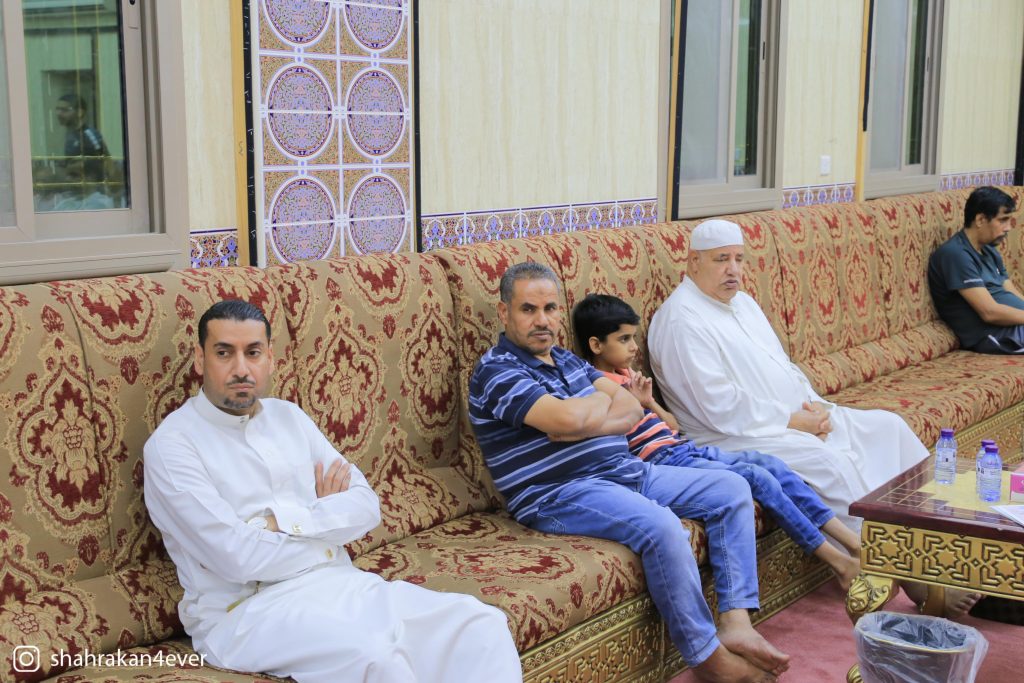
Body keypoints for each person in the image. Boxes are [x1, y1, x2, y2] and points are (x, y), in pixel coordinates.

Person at [144, 300, 522, 683]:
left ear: (270, 358)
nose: (241, 368)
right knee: (379, 660)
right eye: (224, 353)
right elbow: (236, 558)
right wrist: (325, 532)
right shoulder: (173, 446)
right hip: (246, 613)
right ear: (200, 358)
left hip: (340, 583)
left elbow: (365, 507)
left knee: (480, 625)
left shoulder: (288, 417)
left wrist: (276, 523)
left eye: (253, 353)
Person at [470, 262, 788, 683]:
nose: (542, 320)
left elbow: (630, 408)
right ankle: (707, 657)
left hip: (625, 470)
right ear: (504, 312)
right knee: (662, 527)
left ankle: (736, 623)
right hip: (560, 492)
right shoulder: (497, 371)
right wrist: (585, 411)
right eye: (528, 309)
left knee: (731, 488)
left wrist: (582, 418)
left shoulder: (566, 360)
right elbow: (569, 418)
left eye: (550, 308)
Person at [647, 219, 980, 618]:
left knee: (888, 429)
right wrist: (792, 421)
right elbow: (717, 405)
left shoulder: (743, 303)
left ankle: (936, 546)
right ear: (693, 262)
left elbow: (783, 366)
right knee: (829, 463)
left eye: (739, 259)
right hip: (731, 436)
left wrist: (814, 407)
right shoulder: (681, 320)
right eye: (721, 260)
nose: (733, 269)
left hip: (794, 417)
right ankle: (908, 577)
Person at [571, 293, 861, 590]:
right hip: (662, 462)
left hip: (682, 448)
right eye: (624, 339)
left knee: (772, 464)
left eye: (633, 337)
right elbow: (613, 442)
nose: (634, 346)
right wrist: (631, 405)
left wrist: (649, 403)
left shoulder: (629, 376)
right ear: (596, 345)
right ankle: (838, 561)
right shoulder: (597, 388)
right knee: (756, 476)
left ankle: (853, 543)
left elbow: (673, 426)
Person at [928, 186, 1023, 353]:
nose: (1008, 227)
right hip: (998, 336)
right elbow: (989, 312)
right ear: (980, 220)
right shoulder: (956, 254)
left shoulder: (989, 251)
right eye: (1003, 220)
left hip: (1016, 327)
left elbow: (1011, 291)